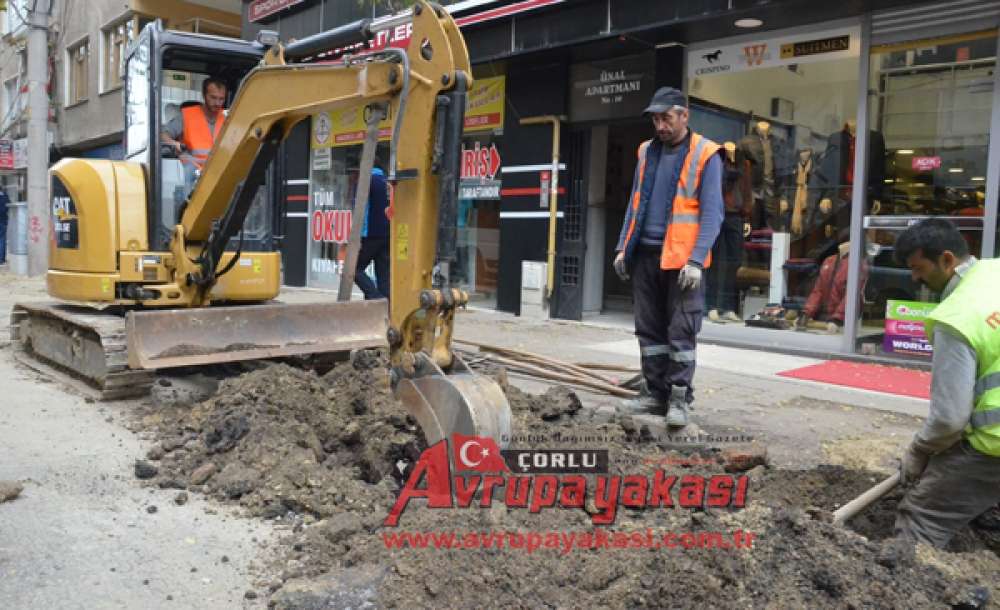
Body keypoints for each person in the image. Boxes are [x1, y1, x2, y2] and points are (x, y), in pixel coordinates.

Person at [612, 86, 724, 428]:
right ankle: (654, 394)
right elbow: (635, 202)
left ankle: (678, 398)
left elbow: (712, 213)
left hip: (681, 261)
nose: (660, 126)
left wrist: (696, 260)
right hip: (645, 255)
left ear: (684, 115)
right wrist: (622, 246)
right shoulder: (647, 151)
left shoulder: (707, 153)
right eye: (656, 119)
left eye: (667, 118)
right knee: (649, 331)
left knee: (681, 331)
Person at [893, 218, 1000, 548]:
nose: (914, 278)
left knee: (923, 514)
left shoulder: (955, 319)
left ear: (948, 259)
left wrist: (919, 449)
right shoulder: (995, 271)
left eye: (919, 267)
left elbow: (949, 419)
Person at [161, 77, 228, 172]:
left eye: (221, 99)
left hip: (218, 174)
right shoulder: (186, 115)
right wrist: (173, 143)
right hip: (190, 173)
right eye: (213, 97)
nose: (217, 103)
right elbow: (163, 134)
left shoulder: (228, 118)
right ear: (204, 95)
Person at [354, 164, 390, 300]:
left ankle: (374, 297)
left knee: (354, 269)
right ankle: (385, 308)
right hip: (387, 235)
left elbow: (361, 210)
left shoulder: (366, 181)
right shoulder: (387, 182)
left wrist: (357, 236)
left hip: (371, 235)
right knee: (384, 278)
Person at [0, 187, 8, 265]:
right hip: (2, 221)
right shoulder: (4, 197)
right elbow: (8, 206)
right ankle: (1, 259)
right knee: (2, 240)